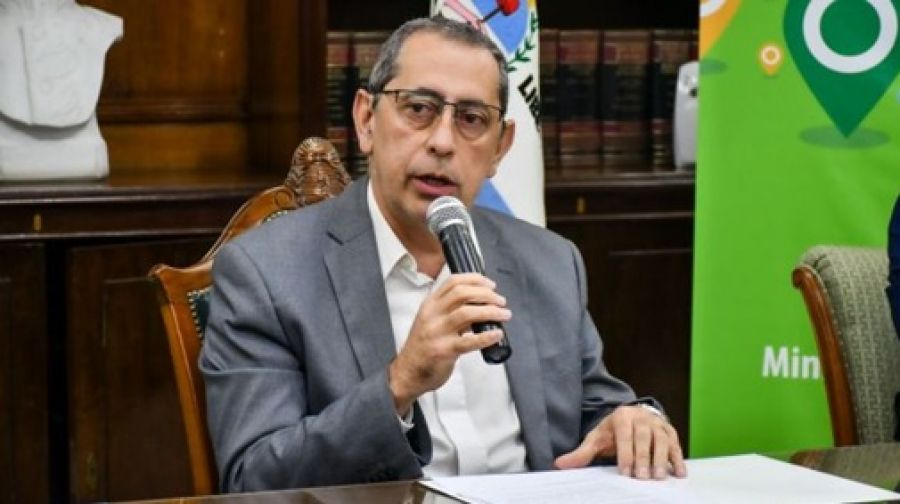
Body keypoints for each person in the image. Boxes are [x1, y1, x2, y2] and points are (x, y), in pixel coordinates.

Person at [200, 16, 686, 493]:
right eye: (418, 109)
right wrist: (399, 384)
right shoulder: (267, 273)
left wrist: (633, 420)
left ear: (500, 149)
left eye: (472, 119)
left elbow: (597, 407)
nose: (442, 142)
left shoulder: (550, 261)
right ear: (366, 120)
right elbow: (252, 479)